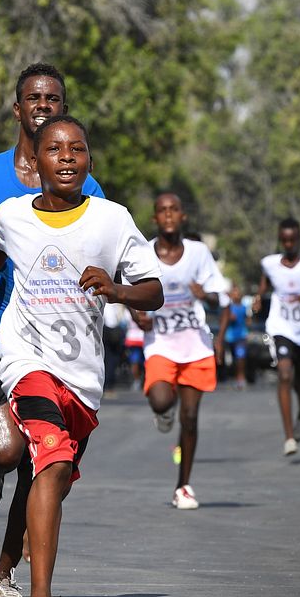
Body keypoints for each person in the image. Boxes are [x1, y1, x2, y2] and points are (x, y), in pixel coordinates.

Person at [0, 115, 163, 597]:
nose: (67, 157)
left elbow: (154, 290)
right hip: (27, 363)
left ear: (89, 160)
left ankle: (13, 563)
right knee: (45, 460)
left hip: (83, 379)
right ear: (38, 160)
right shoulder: (12, 213)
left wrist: (117, 290)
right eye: (56, 149)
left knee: (53, 478)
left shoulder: (112, 220)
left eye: (78, 149)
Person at [0, 62, 106, 597]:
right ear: (17, 108)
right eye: (33, 97)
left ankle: (4, 574)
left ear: (63, 108)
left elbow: (106, 245)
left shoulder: (84, 183)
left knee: (38, 463)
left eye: (53, 98)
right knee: (7, 452)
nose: (43, 105)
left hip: (55, 347)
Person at [130, 193, 229, 510]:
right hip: (161, 342)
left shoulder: (199, 253)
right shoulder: (144, 251)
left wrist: (206, 295)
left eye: (174, 209)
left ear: (183, 216)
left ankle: (183, 486)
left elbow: (219, 297)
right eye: (162, 210)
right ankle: (163, 411)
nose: (169, 215)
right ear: (155, 218)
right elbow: (131, 292)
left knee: (190, 417)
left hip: (195, 343)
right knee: (161, 399)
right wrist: (138, 315)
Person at [254, 218, 300, 456]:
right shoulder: (270, 264)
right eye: (284, 240)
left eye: (292, 240)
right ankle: (289, 437)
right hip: (282, 328)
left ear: (299, 239)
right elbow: (266, 282)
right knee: (285, 374)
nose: (288, 244)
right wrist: (258, 297)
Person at [225, 284, 250, 389]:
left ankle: (241, 378)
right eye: (234, 293)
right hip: (230, 336)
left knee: (241, 357)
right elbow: (222, 320)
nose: (236, 295)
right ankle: (233, 378)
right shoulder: (228, 307)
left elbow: (248, 320)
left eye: (238, 293)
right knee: (233, 359)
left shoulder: (245, 307)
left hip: (241, 336)